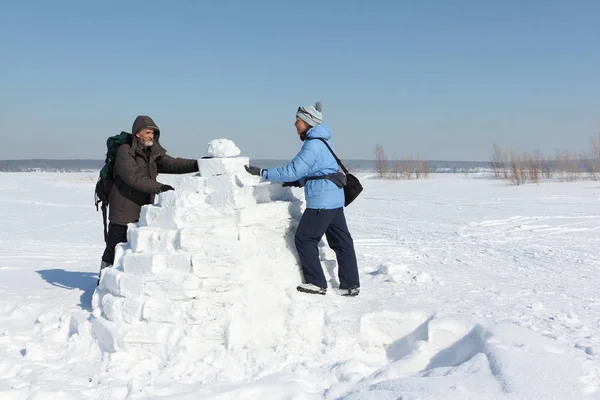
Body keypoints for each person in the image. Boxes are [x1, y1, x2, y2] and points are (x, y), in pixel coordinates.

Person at [244, 102, 360, 296]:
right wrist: (298, 182)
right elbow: (319, 170)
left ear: (307, 122)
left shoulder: (313, 145)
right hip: (335, 198)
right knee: (342, 242)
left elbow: (292, 170)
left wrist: (263, 173)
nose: (295, 124)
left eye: (298, 120)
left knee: (305, 238)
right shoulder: (324, 141)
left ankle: (316, 282)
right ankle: (350, 285)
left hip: (322, 201)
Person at [99, 115, 199, 273]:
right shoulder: (125, 152)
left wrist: (198, 164)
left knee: (136, 251)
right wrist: (159, 187)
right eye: (147, 132)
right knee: (114, 249)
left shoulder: (151, 153)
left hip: (143, 211)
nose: (151, 136)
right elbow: (134, 177)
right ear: (137, 134)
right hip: (123, 212)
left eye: (153, 133)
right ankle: (103, 281)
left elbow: (173, 164)